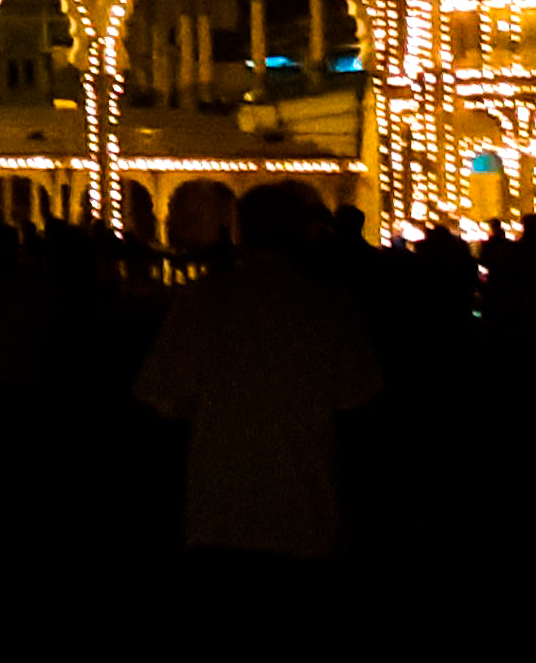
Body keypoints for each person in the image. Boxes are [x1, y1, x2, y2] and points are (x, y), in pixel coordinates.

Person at [134, 183, 382, 564]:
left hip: (217, 516)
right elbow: (359, 408)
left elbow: (161, 407)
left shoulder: (202, 301)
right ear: (303, 233)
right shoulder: (331, 305)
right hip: (307, 518)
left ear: (240, 232)